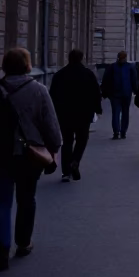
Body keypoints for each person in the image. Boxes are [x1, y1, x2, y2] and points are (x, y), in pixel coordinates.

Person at [0, 48, 62, 271]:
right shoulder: (38, 90)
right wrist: (54, 148)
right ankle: (23, 242)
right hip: (28, 155)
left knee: (0, 202)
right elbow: (50, 124)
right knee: (27, 199)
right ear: (28, 66)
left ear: (4, 66)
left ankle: (1, 250)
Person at [48, 49, 102, 182]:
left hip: (64, 114)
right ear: (81, 58)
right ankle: (75, 160)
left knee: (67, 141)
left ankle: (66, 172)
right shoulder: (88, 74)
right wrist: (97, 108)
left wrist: (54, 112)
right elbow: (95, 93)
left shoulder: (60, 75)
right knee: (82, 139)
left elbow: (52, 95)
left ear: (68, 58)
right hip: (83, 114)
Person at [99, 51, 139, 140]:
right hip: (124, 93)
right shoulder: (130, 67)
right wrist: (136, 91)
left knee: (116, 113)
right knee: (124, 113)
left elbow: (106, 80)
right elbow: (134, 81)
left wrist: (104, 92)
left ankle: (117, 132)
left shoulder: (113, 67)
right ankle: (122, 132)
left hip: (117, 94)